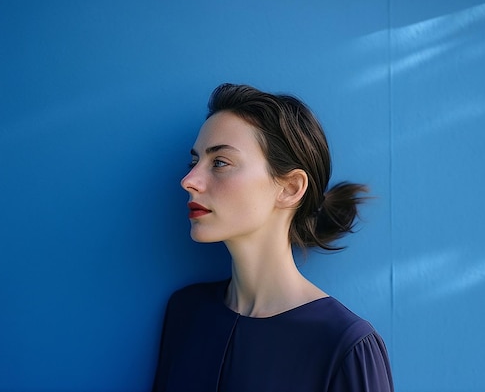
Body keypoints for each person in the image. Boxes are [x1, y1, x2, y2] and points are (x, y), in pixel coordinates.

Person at [152, 84, 394, 392]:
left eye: (220, 163)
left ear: (290, 188)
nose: (188, 181)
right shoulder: (186, 313)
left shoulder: (344, 345)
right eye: (194, 162)